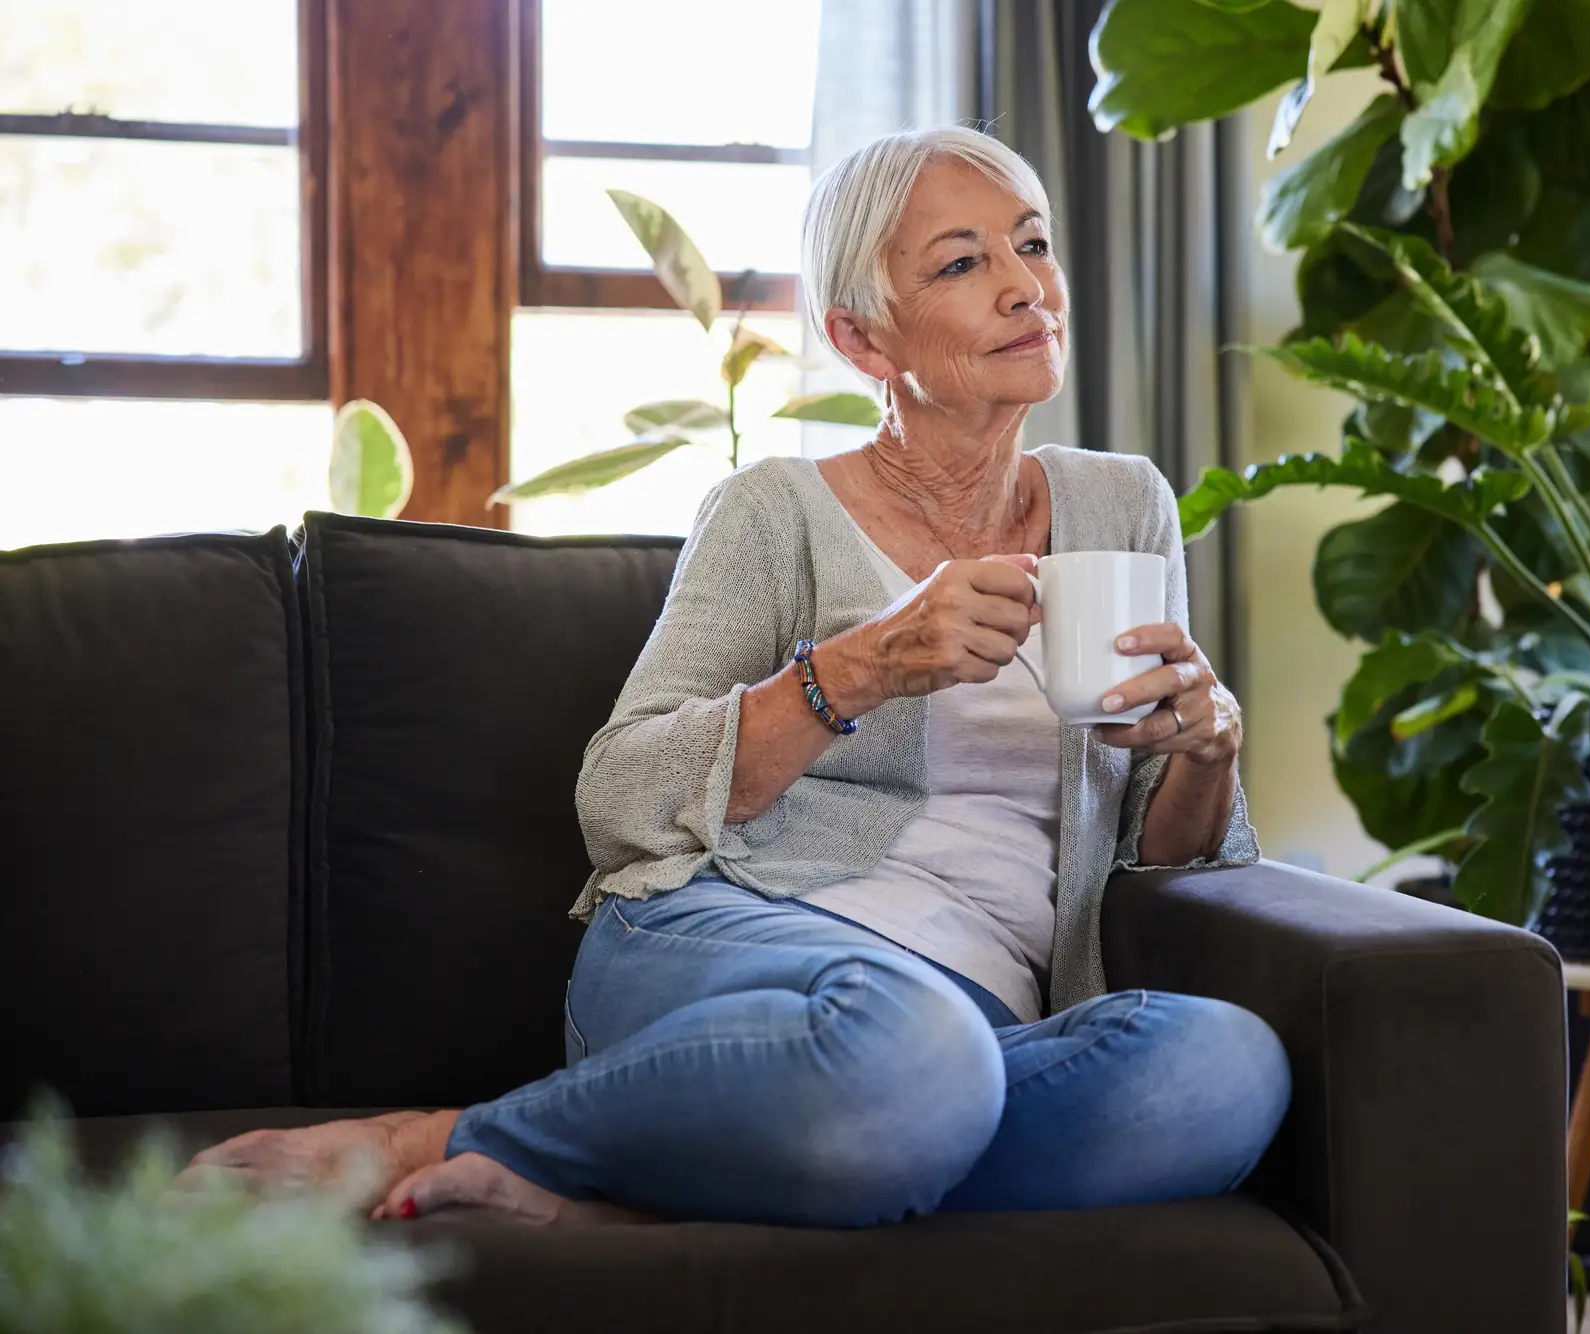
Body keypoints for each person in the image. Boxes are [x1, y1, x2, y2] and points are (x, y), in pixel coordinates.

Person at [182, 126, 1289, 1227]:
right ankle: (454, 1134)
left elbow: (1163, 859)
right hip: (739, 938)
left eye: (1032, 244)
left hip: (979, 1020)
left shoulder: (1122, 503)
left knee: (1225, 1065)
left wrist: (1207, 746)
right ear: (861, 337)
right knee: (908, 1050)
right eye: (961, 262)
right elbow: (619, 794)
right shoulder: (774, 511)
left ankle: (708, 1163)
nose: (1024, 287)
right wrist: (858, 667)